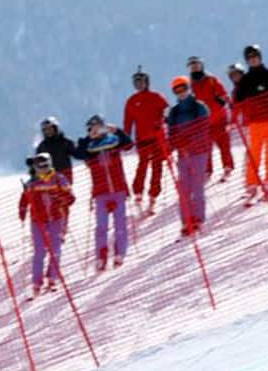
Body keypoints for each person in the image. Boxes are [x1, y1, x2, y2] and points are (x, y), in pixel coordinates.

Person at [72, 115, 134, 269]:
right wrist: (87, 138)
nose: (96, 130)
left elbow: (129, 145)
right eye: (92, 127)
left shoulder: (113, 141)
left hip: (118, 189)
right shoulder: (89, 146)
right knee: (101, 226)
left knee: (120, 223)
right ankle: (101, 256)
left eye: (98, 126)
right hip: (100, 192)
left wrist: (118, 131)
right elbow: (78, 154)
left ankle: (120, 253)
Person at [234, 45, 268, 200]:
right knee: (255, 152)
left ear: (260, 57)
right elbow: (238, 100)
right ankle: (252, 182)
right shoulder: (245, 80)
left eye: (255, 56)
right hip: (256, 120)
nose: (253, 59)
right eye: (249, 58)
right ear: (246, 61)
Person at [18, 152, 75, 297]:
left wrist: (60, 199)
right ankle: (36, 282)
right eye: (40, 167)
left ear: (50, 164)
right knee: (39, 252)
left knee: (55, 250)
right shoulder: (32, 182)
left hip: (56, 219)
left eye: (45, 166)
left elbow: (71, 197)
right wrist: (22, 210)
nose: (43, 169)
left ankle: (52, 278)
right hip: (38, 221)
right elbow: (24, 198)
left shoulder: (59, 179)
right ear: (35, 167)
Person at [167, 76, 211, 236]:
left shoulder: (199, 106)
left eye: (183, 88)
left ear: (188, 88)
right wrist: (174, 145)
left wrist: (189, 142)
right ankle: (186, 221)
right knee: (184, 188)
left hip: (198, 151)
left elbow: (203, 128)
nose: (181, 92)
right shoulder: (174, 112)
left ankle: (198, 219)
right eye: (177, 90)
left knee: (197, 186)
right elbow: (171, 133)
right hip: (182, 154)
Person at [123, 66, 169, 215]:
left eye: (141, 81)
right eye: (136, 82)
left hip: (157, 139)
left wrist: (163, 122)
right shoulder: (131, 101)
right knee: (142, 166)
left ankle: (153, 197)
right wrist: (126, 139)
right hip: (142, 139)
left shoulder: (156, 97)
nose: (138, 84)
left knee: (157, 167)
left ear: (147, 82)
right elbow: (128, 122)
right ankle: (138, 193)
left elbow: (167, 112)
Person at [188, 56, 234, 182]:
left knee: (224, 145)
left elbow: (223, 93)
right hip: (203, 122)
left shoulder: (211, 80)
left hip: (219, 118)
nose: (194, 67)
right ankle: (207, 171)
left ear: (201, 66)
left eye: (196, 65)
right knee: (205, 148)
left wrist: (225, 100)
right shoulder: (190, 84)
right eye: (192, 66)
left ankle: (228, 167)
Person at [35, 117, 77, 184]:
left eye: (50, 128)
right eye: (45, 129)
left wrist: (83, 146)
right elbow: (37, 165)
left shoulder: (65, 142)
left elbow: (79, 154)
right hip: (48, 182)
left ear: (55, 128)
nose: (48, 131)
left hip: (65, 180)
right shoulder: (41, 147)